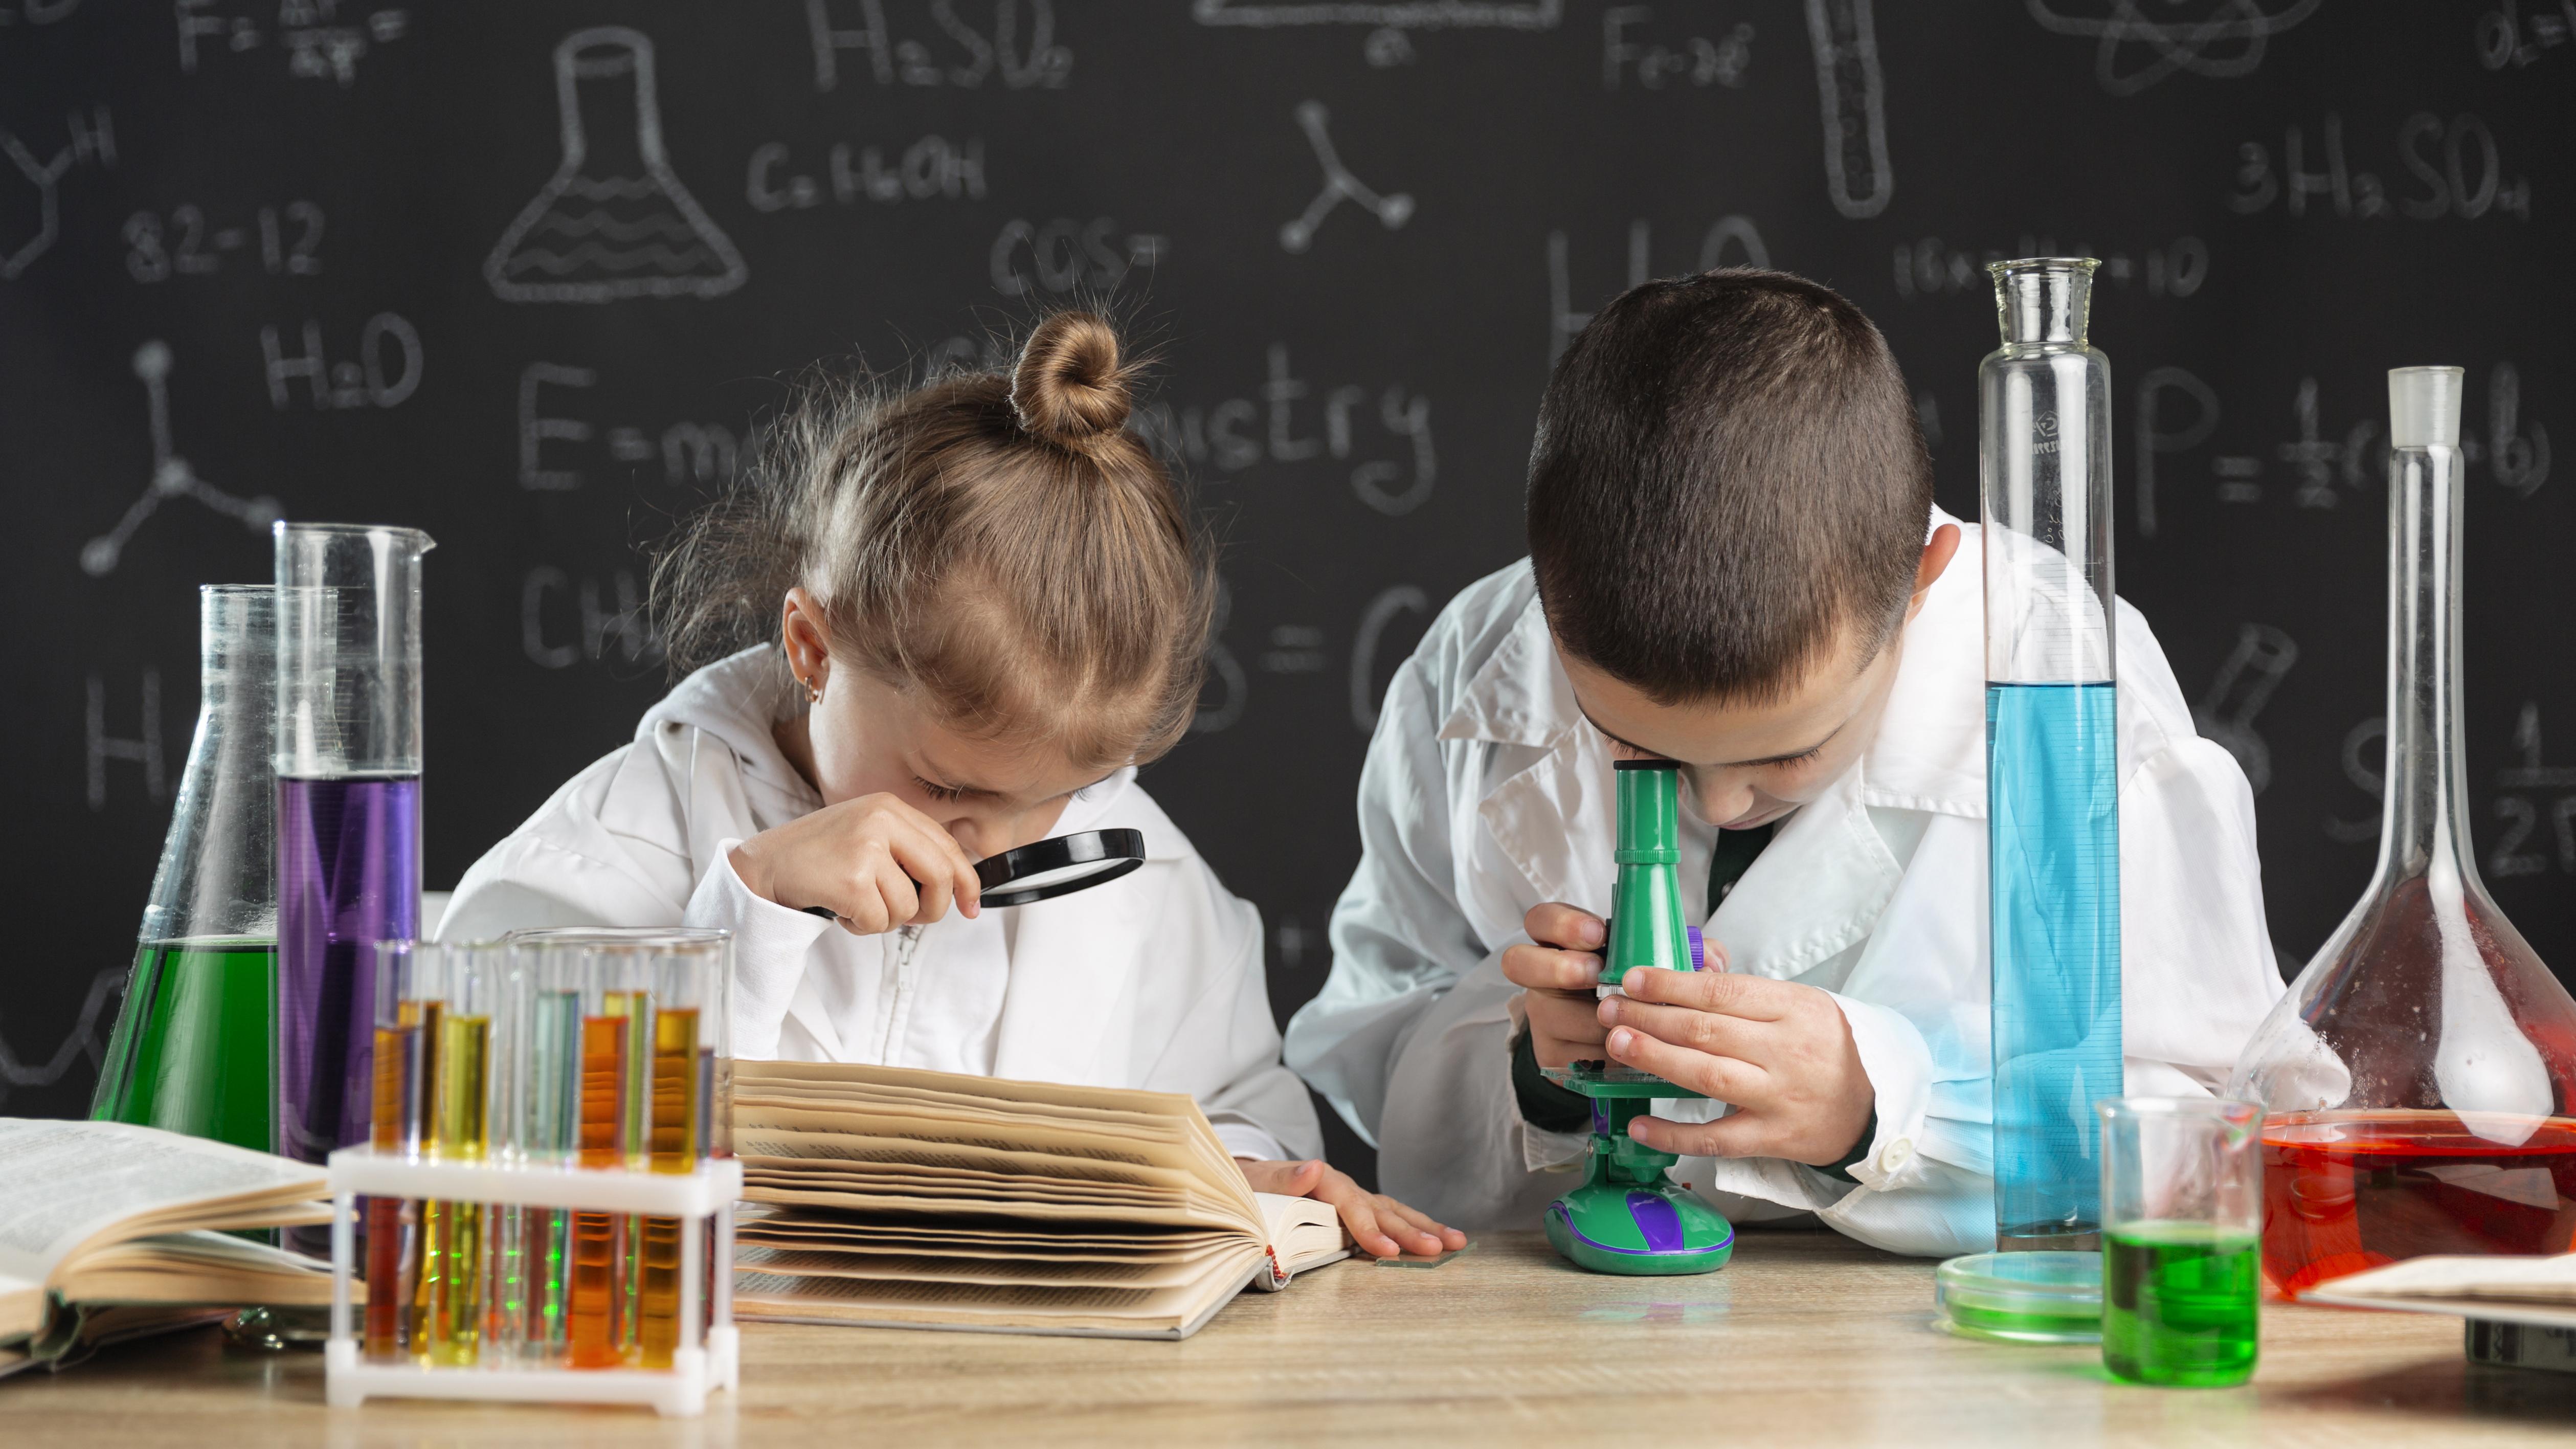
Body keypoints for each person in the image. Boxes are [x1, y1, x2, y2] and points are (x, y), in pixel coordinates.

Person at [1283, 270, 2284, 1257]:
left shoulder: (2065, 681)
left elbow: (2213, 1124)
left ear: (1921, 585)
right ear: (1546, 604)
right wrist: (1532, 1077)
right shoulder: (1477, 657)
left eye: (1789, 749)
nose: (1721, 800)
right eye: (1636, 746)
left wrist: (1876, 1108)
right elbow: (1373, 1042)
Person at [442, 312, 1465, 1260]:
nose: (994, 843)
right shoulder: (619, 843)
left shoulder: (1152, 887)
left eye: (1060, 793)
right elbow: (483, 1152)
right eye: (943, 785)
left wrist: (1240, 1169)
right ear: (811, 647)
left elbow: (1237, 1100)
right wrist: (743, 915)